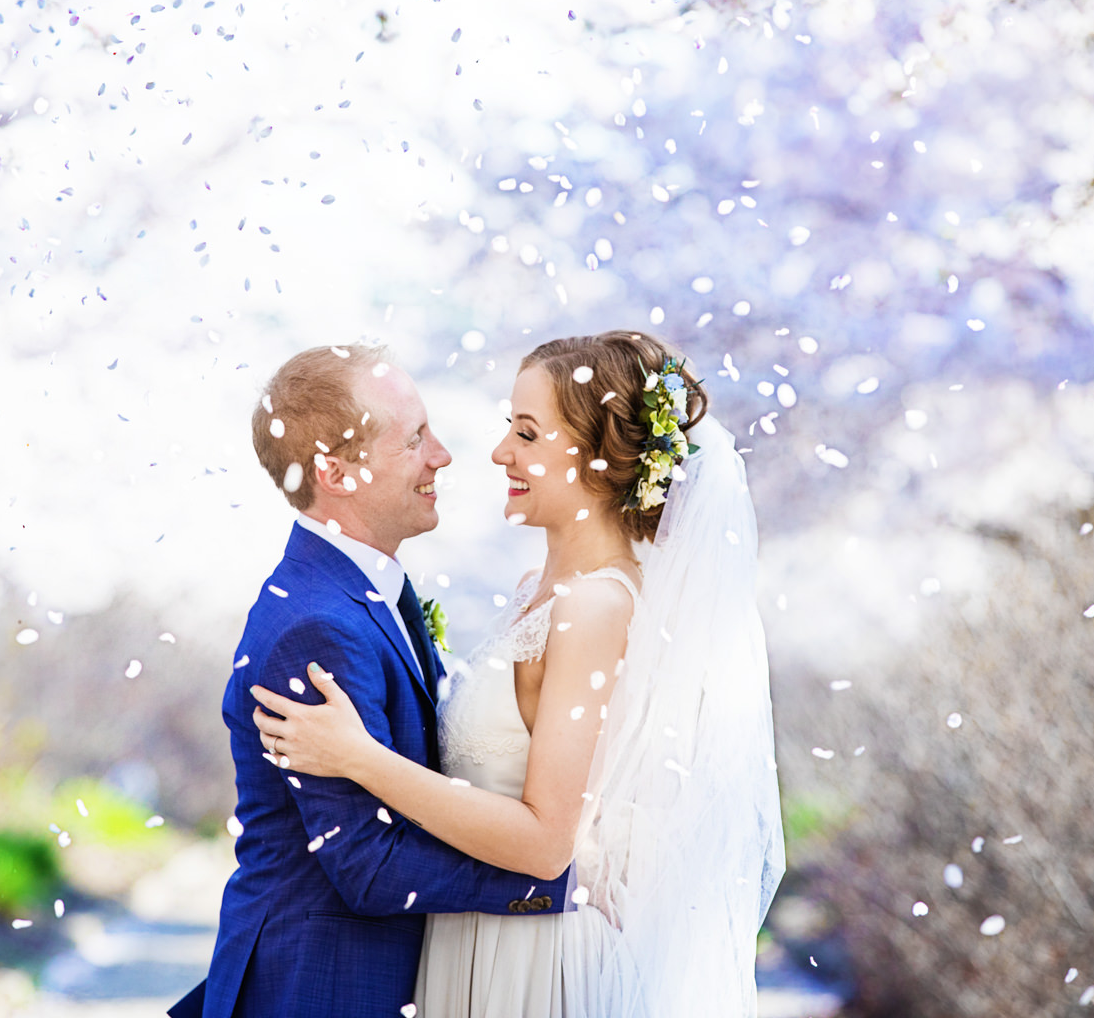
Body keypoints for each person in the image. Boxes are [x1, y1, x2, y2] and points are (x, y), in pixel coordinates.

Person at [251, 331, 785, 1016]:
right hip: (480, 939)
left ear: (597, 454)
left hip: (532, 963)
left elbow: (545, 842)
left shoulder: (595, 606)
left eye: (528, 434)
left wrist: (360, 759)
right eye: (510, 427)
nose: (501, 451)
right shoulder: (538, 589)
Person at [170, 344, 568, 1018]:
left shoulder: (360, 592)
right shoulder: (316, 628)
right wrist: (556, 884)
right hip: (319, 990)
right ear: (336, 471)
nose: (441, 455)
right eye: (414, 439)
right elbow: (368, 866)